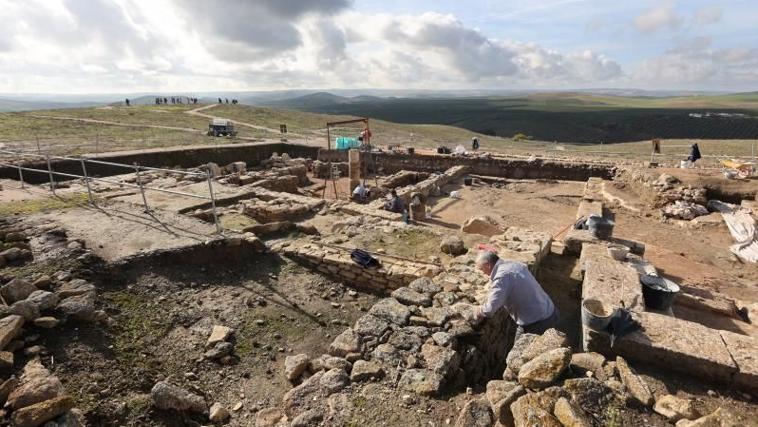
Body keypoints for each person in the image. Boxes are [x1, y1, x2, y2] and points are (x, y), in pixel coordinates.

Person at [472, 251, 558, 342]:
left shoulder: (502, 276)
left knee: (519, 355)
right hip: (549, 311)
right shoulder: (513, 264)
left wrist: (479, 310)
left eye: (482, 269)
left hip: (536, 322)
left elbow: (489, 309)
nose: (483, 273)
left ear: (488, 265)